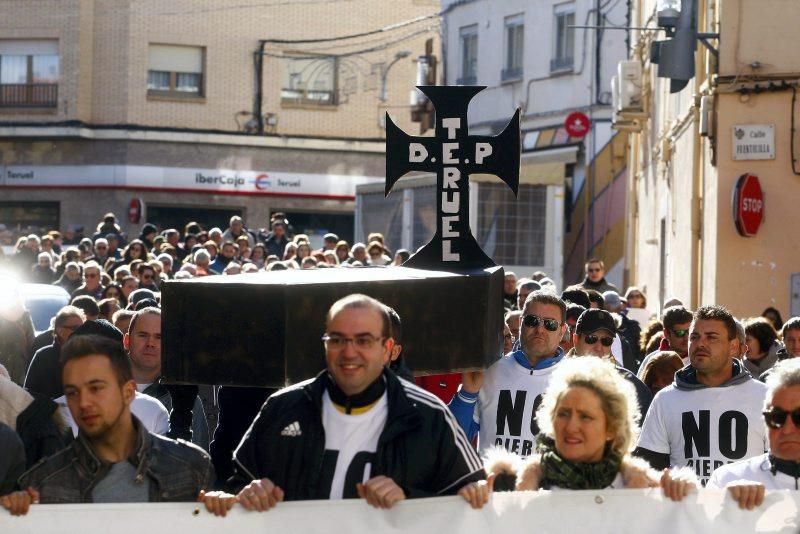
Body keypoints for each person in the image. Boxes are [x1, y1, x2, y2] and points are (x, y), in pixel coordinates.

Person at [202, 294, 488, 516]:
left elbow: (471, 500)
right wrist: (247, 494)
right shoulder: (282, 408)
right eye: (338, 340)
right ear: (325, 345)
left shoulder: (429, 416)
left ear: (388, 348)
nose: (349, 351)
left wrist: (410, 500)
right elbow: (237, 486)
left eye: (363, 340)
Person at [1, 335, 213, 515]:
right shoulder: (42, 481)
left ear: (128, 392)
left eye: (96, 388)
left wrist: (226, 508)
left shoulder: (190, 468)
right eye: (72, 392)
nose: (83, 403)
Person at [486, 358, 696, 499]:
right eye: (563, 413)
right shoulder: (509, 486)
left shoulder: (650, 491)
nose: (571, 426)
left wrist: (683, 492)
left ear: (611, 428)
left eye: (585, 416)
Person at [634, 305, 768, 485]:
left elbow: (781, 469)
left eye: (711, 337)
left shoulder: (765, 398)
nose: (701, 344)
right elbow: (649, 470)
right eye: (694, 337)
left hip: (746, 511)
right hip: (685, 510)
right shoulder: (666, 400)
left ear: (733, 346)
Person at [449, 291, 567, 456]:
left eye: (550, 324)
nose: (540, 329)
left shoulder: (574, 378)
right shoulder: (489, 370)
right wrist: (468, 392)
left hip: (545, 481)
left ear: (562, 330)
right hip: (491, 480)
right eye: (532, 321)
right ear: (521, 323)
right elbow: (450, 439)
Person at [706, 359, 800, 507]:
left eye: (799, 417)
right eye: (777, 417)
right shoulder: (727, 480)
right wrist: (725, 510)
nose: (787, 429)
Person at [124, 307, 209, 450]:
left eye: (159, 337)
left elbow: (196, 461)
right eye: (143, 335)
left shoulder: (185, 401)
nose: (150, 343)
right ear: (127, 341)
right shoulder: (102, 389)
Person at [568, 309, 652, 418]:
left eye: (606, 341)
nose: (599, 347)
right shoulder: (554, 378)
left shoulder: (633, 387)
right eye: (591, 339)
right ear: (576, 340)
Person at [25, 306, 86, 399]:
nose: (81, 332)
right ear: (60, 331)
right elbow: (29, 393)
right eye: (76, 328)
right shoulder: (43, 357)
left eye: (83, 328)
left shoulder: (88, 356)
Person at [636, 305, 693, 379]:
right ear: (666, 333)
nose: (686, 337)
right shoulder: (652, 360)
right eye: (680, 333)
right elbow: (640, 389)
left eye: (690, 331)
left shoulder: (700, 359)